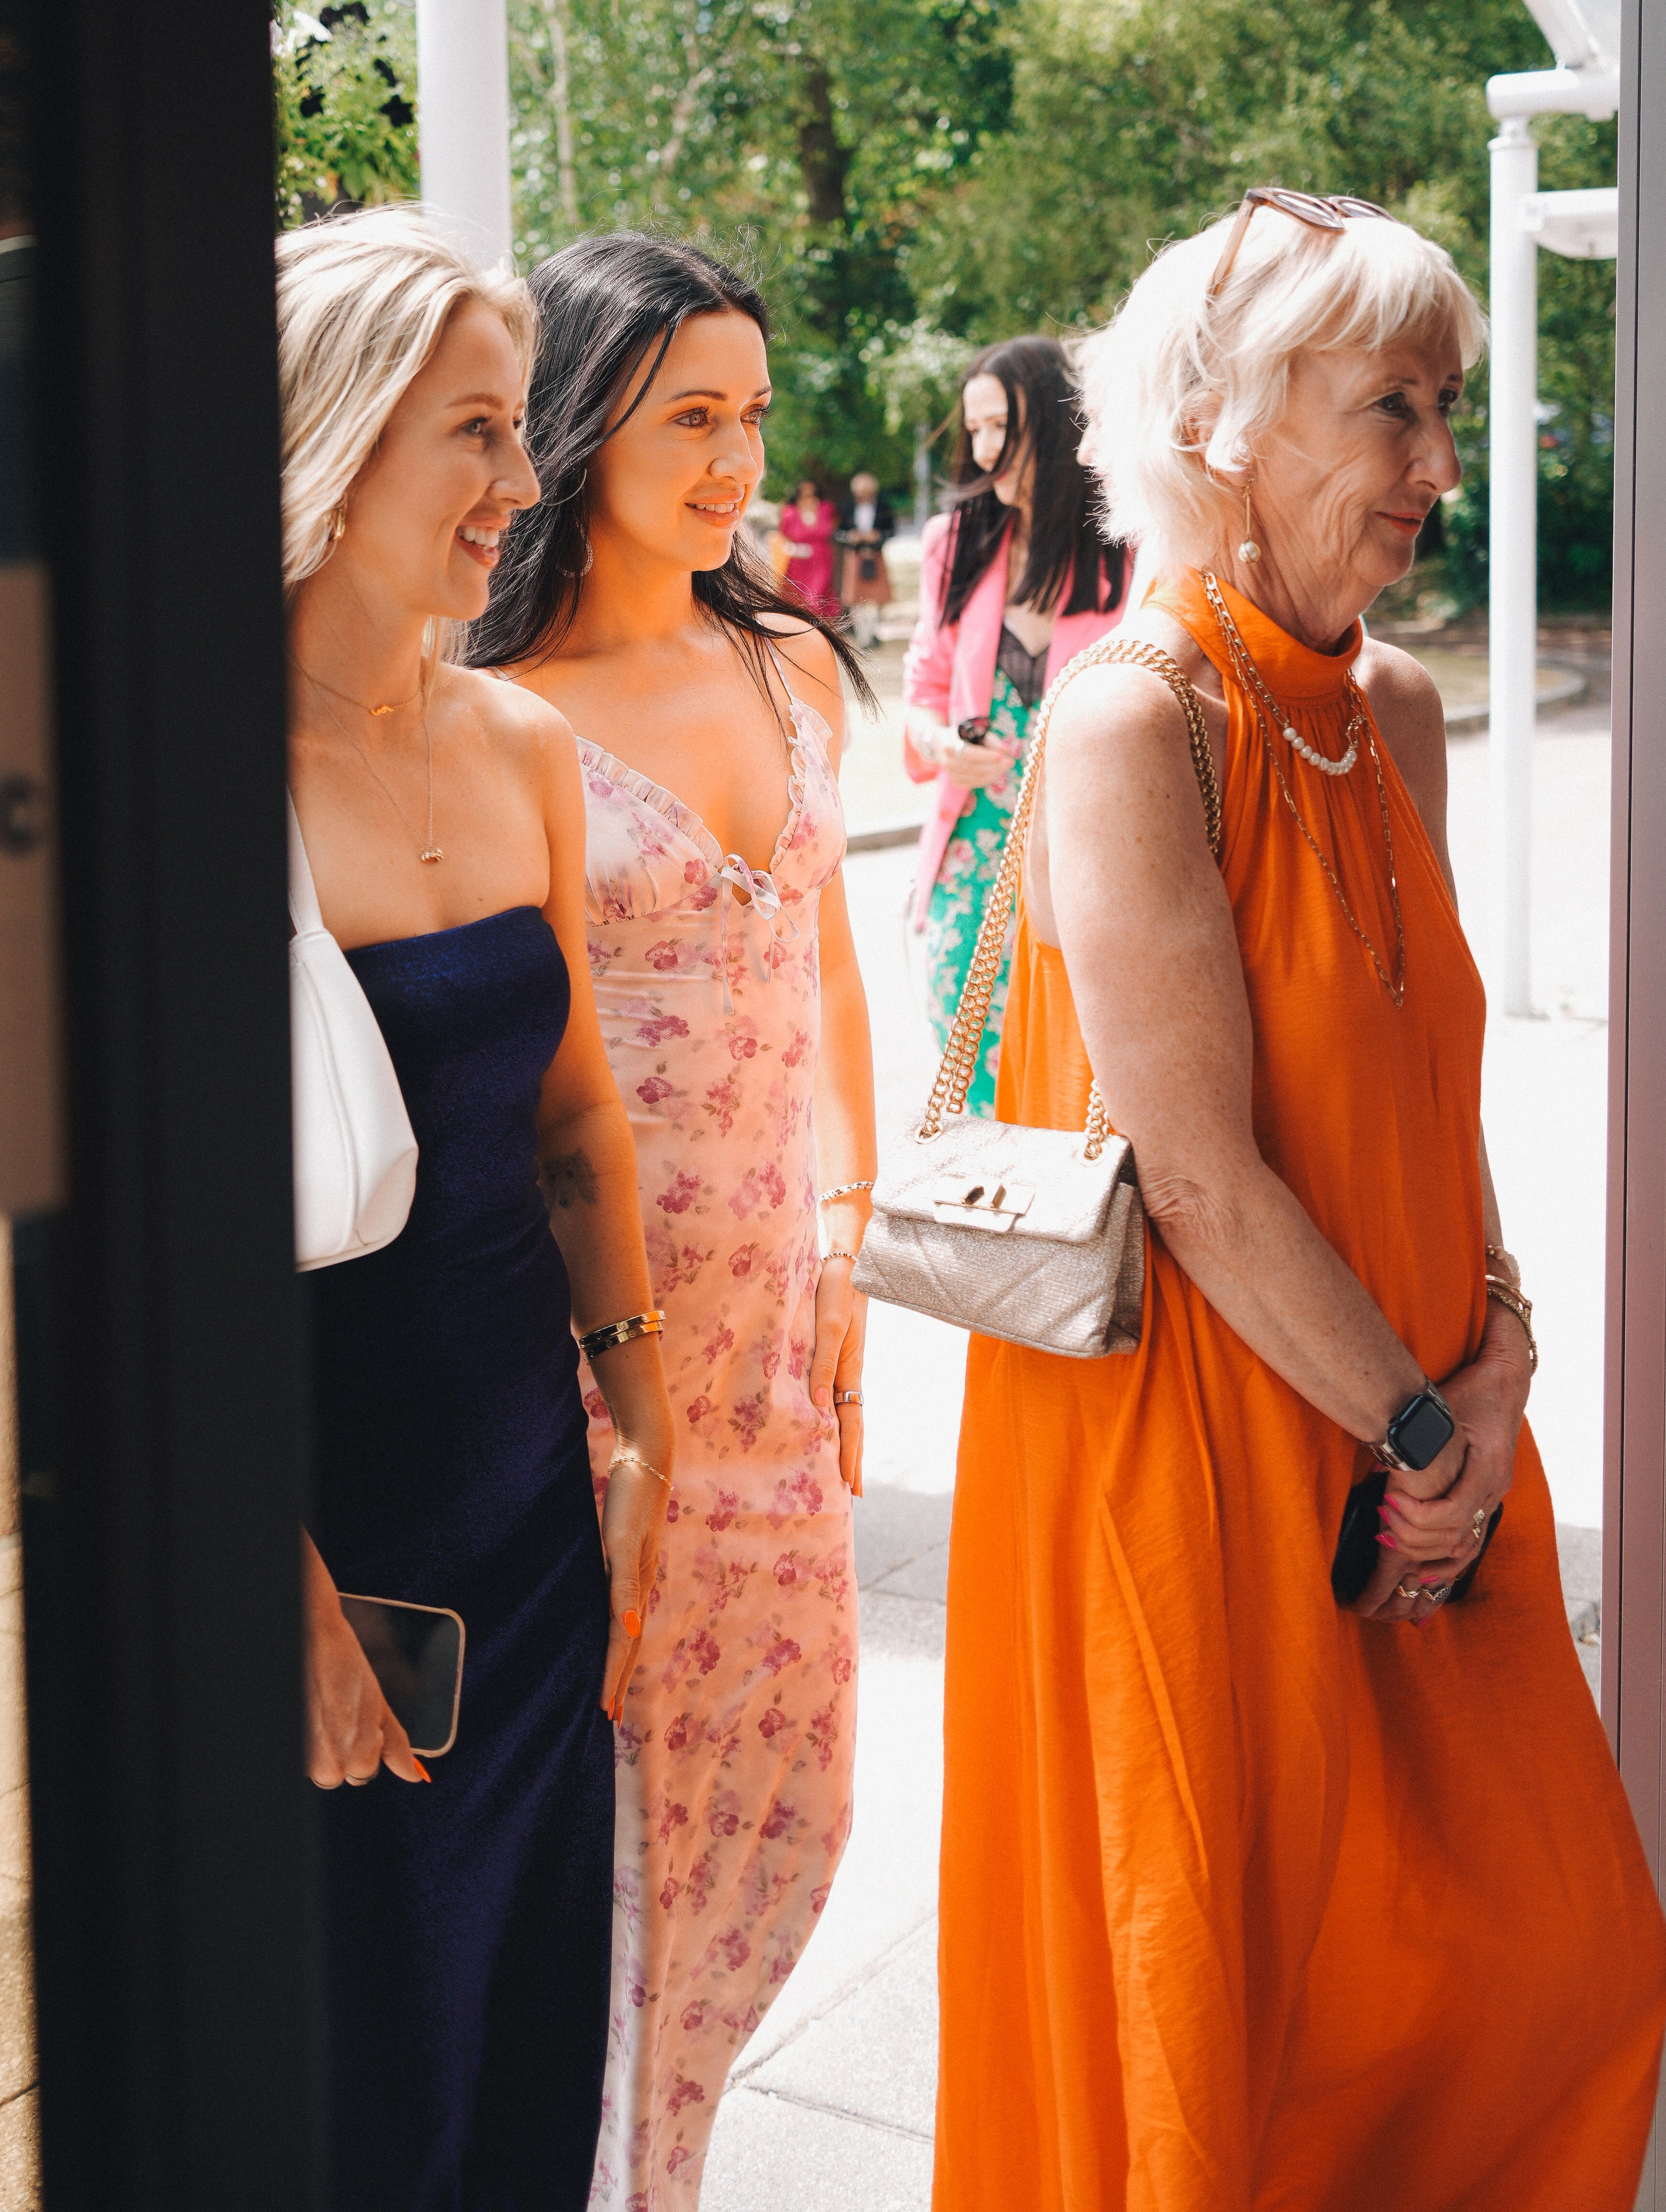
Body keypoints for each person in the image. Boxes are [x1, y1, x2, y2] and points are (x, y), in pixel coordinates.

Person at [933, 192, 1666, 2210]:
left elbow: (1431, 1086)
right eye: (1395, 410)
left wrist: (1499, 1351)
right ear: (1229, 424)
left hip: (1421, 1427)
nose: (1440, 466)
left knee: (1555, 1958)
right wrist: (1430, 1428)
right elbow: (1194, 1172)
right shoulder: (1131, 711)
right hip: (1206, 1448)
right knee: (1226, 2025)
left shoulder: (1395, 709)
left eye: (1447, 410)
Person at [467, 233, 875, 2208]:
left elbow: (828, 946)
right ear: (581, 427)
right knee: (607, 1831)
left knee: (782, 1812)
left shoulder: (782, 660)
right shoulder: (494, 707)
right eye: (691, 414)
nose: (737, 456)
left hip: (777, 1346)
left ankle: (671, 2164)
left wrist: (854, 1218)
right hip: (588, 1345)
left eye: (752, 413)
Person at [282, 210, 675, 2211]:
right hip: (322, 1536)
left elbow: (580, 1120)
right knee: (367, 2075)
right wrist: (263, 1579)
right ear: (335, 444)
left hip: (532, 1525)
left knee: (528, 2044)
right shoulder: (181, 783)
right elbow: (115, 1265)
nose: (523, 488)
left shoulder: (521, 744)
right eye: (475, 433)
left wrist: (643, 1418)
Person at [903, 336, 1128, 1114]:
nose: (986, 448)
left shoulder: (1132, 554)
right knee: (972, 1080)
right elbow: (924, 689)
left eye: (1004, 426)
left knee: (1083, 1093)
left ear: (1061, 424)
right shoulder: (953, 543)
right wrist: (938, 744)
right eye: (977, 430)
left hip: (1097, 867)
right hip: (973, 864)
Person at [834, 470, 894, 648]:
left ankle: (872, 633)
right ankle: (862, 636)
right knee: (855, 598)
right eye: (861, 492)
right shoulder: (846, 507)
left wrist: (878, 537)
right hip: (854, 556)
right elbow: (837, 534)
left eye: (868, 492)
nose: (865, 495)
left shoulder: (883, 507)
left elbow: (891, 531)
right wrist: (851, 537)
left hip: (875, 555)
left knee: (876, 597)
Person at [778, 474, 839, 618]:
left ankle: (818, 626)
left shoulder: (826, 508)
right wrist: (794, 549)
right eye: (804, 493)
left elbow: (833, 527)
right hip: (799, 562)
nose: (808, 496)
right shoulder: (790, 512)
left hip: (822, 559)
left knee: (817, 596)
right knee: (799, 597)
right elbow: (784, 538)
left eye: (812, 493)